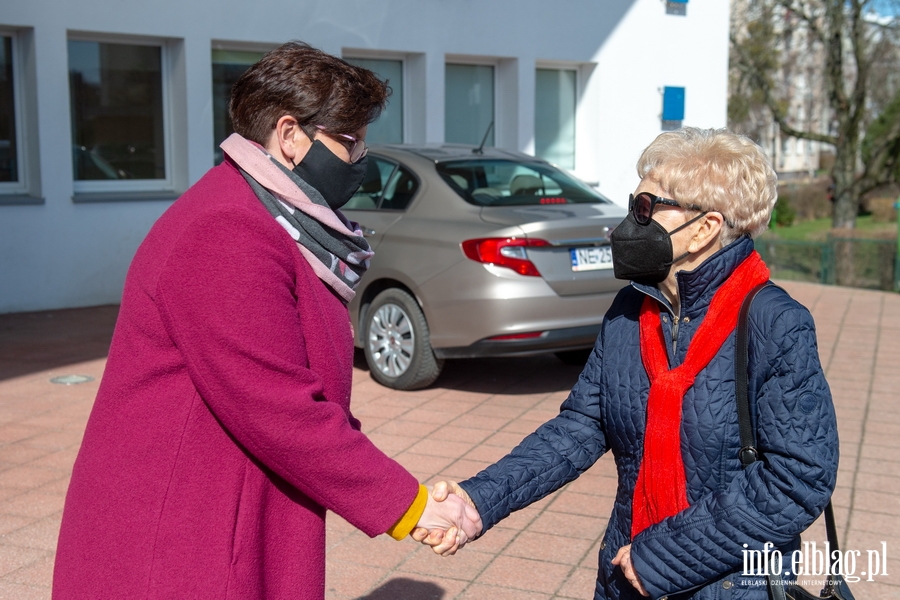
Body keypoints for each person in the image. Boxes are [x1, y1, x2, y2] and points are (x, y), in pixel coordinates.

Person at [53, 41, 479, 600]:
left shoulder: (265, 216)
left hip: (224, 505)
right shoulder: (228, 229)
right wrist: (410, 505)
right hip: (183, 535)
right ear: (289, 135)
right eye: (350, 143)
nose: (361, 161)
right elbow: (278, 405)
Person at [416, 128, 838, 600]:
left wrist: (666, 556)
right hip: (626, 573)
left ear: (705, 228)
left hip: (730, 583)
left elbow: (798, 479)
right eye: (632, 203)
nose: (629, 223)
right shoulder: (629, 310)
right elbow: (580, 427)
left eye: (646, 208)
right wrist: (480, 501)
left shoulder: (775, 324)